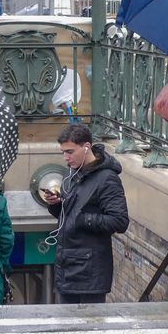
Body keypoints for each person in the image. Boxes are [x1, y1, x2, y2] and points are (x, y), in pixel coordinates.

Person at [41, 123, 129, 304]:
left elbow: (120, 221)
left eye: (70, 152)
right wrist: (56, 205)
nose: (66, 157)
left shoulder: (107, 179)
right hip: (67, 266)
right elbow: (68, 212)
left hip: (90, 272)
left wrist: (81, 219)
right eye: (63, 152)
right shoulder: (72, 173)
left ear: (86, 147)